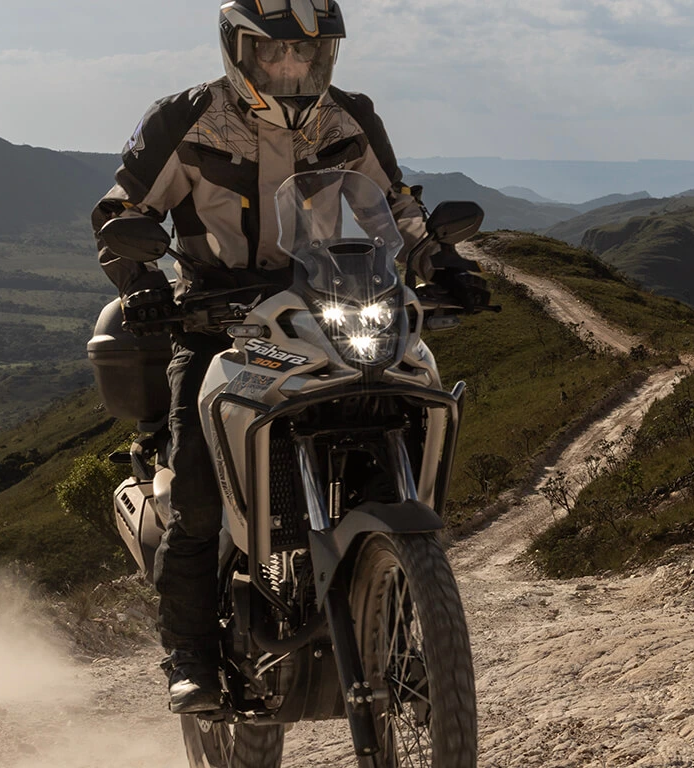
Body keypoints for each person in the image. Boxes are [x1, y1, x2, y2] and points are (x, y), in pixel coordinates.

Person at [90, 0, 490, 714]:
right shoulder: (185, 119)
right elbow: (123, 210)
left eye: (306, 55)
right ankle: (190, 657)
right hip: (216, 315)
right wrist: (142, 281)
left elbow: (395, 208)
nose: (291, 68)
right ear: (239, 53)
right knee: (198, 493)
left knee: (393, 410)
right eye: (275, 54)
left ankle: (403, 611)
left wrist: (440, 258)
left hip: (325, 305)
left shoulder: (348, 117)